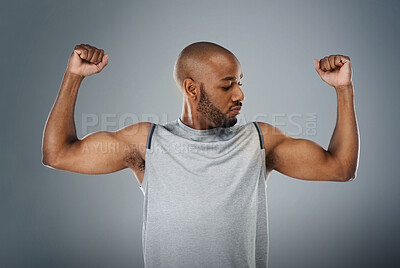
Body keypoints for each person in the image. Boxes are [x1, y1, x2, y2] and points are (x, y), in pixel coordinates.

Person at [42, 41, 359, 268]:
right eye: (227, 85)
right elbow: (58, 155)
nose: (240, 94)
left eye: (240, 82)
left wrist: (343, 89)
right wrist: (74, 76)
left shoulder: (261, 141)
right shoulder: (147, 142)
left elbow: (340, 168)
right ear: (192, 89)